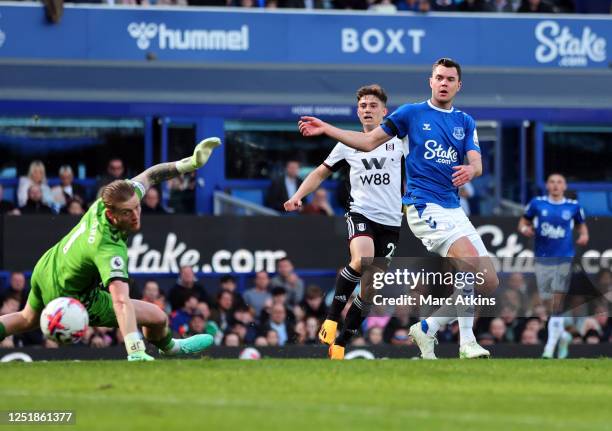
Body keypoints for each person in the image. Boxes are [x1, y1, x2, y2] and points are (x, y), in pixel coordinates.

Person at [298, 59, 499, 359]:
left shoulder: (465, 122)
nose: (444, 83)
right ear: (430, 81)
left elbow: (477, 163)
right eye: (439, 78)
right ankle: (466, 343)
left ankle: (427, 328)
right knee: (466, 262)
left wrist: (472, 171)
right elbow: (367, 142)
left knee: (489, 281)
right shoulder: (410, 114)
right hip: (422, 205)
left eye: (450, 79)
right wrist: (327, 128)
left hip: (451, 208)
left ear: (459, 85)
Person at [0, 137, 222, 361]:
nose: (135, 216)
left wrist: (189, 164)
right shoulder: (108, 247)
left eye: (137, 207)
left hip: (47, 268)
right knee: (157, 317)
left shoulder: (111, 199)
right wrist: (135, 349)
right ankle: (171, 347)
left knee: (27, 318)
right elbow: (120, 301)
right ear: (111, 215)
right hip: (71, 295)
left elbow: (151, 175)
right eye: (127, 212)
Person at [288, 84, 406, 360]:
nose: (367, 110)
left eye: (373, 106)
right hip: (361, 213)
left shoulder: (400, 141)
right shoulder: (347, 143)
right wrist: (297, 196)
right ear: (357, 111)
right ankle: (330, 318)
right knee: (361, 260)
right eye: (363, 106)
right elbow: (320, 173)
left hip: (391, 221)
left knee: (370, 288)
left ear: (384, 112)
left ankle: (341, 342)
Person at [518, 172, 589, 359]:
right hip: (542, 259)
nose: (556, 185)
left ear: (564, 186)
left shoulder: (573, 206)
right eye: (552, 182)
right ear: (547, 186)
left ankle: (549, 350)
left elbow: (582, 227)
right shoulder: (537, 203)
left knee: (557, 303)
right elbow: (523, 222)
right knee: (548, 304)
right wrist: (525, 229)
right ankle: (563, 336)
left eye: (559, 182)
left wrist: (583, 236)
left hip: (564, 258)